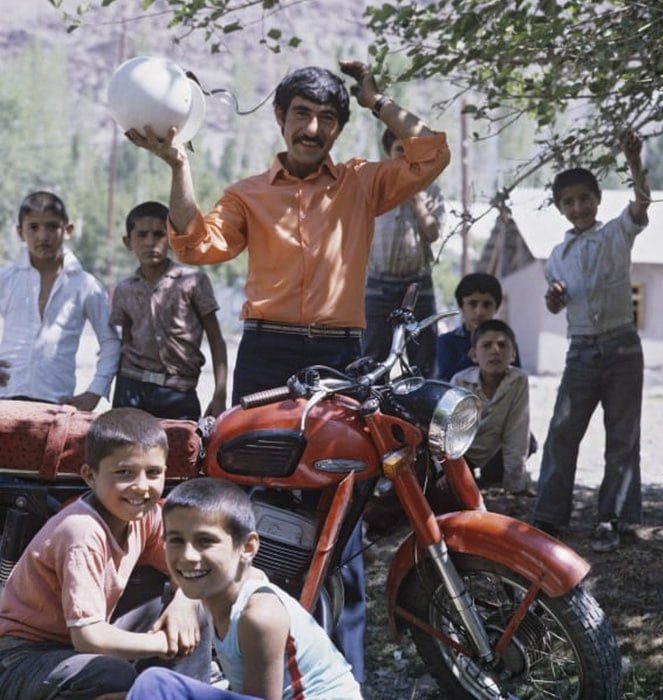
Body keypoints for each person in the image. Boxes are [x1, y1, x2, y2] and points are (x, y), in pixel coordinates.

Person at [126, 60, 450, 683]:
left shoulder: (362, 182)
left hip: (342, 360)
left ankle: (339, 675)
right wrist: (179, 164)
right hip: (267, 355)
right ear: (281, 119)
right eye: (301, 113)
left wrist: (376, 99)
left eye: (328, 118)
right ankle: (240, 661)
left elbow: (431, 154)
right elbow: (198, 245)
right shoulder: (248, 192)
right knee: (247, 499)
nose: (313, 127)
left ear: (337, 129)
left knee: (342, 501)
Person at [0, 407, 211, 698]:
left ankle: (183, 694)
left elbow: (190, 568)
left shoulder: (143, 515)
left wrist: (185, 604)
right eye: (124, 472)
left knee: (193, 612)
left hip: (72, 648)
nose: (141, 487)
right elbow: (89, 638)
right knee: (111, 673)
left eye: (153, 473)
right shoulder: (81, 532)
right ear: (89, 475)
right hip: (20, 658)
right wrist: (166, 644)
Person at [124, 478, 363, 700]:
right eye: (175, 540)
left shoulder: (259, 616)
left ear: (248, 547)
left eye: (206, 541)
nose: (187, 556)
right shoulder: (223, 587)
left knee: (155, 685)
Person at [532, 131, 650, 553]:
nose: (578, 207)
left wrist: (634, 161)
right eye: (569, 202)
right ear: (561, 208)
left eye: (585, 198)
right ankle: (548, 517)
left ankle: (612, 518)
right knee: (563, 431)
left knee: (622, 437)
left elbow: (641, 203)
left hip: (622, 348)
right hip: (580, 351)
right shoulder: (557, 255)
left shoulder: (618, 233)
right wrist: (553, 298)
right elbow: (554, 306)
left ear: (598, 198)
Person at [0, 191, 120, 410]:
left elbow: (111, 341)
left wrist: (96, 390)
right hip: (5, 396)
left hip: (55, 401)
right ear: (20, 232)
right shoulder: (6, 279)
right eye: (33, 227)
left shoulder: (85, 285)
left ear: (67, 230)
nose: (43, 236)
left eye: (52, 226)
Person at [111, 201, 228, 420]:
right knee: (125, 450)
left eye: (159, 235)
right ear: (128, 242)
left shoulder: (192, 281)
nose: (150, 243)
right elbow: (124, 341)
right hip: (132, 385)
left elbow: (216, 339)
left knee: (179, 449)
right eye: (142, 235)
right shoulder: (124, 289)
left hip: (178, 390)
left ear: (172, 239)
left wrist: (220, 393)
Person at [362, 127, 445, 377]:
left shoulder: (431, 190)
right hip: (378, 285)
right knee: (373, 360)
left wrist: (416, 197)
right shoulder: (375, 188)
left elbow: (433, 233)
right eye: (400, 150)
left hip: (417, 285)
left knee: (423, 361)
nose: (405, 157)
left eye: (411, 151)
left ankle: (416, 414)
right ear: (389, 153)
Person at [451, 319, 533, 494]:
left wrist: (515, 484)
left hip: (493, 450)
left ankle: (493, 476)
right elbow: (450, 434)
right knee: (450, 492)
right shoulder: (460, 381)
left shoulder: (518, 380)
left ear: (513, 355)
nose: (495, 351)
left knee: (529, 441)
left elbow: (517, 431)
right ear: (474, 354)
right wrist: (448, 470)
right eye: (486, 345)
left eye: (503, 345)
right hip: (464, 453)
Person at [436, 272, 522, 382]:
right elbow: (445, 383)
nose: (479, 312)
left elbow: (517, 381)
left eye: (487, 304)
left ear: (496, 307)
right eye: (472, 304)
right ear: (462, 306)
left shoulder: (506, 343)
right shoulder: (447, 342)